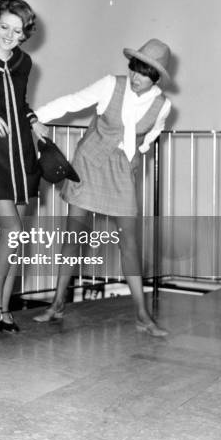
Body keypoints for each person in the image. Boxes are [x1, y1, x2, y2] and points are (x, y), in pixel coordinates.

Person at [32, 39, 172, 336]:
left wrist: (139, 151)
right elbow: (72, 102)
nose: (136, 77)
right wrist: (33, 118)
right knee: (74, 235)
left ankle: (143, 316)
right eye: (134, 69)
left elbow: (155, 131)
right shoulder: (111, 85)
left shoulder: (163, 104)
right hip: (90, 163)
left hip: (120, 170)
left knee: (129, 244)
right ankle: (57, 304)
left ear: (156, 77)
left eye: (144, 73)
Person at [0, 0, 47, 333]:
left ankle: (3, 305)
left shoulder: (23, 62)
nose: (9, 35)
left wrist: (33, 120)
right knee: (12, 229)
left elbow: (20, 101)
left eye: (17, 31)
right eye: (4, 27)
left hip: (23, 156)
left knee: (19, 236)